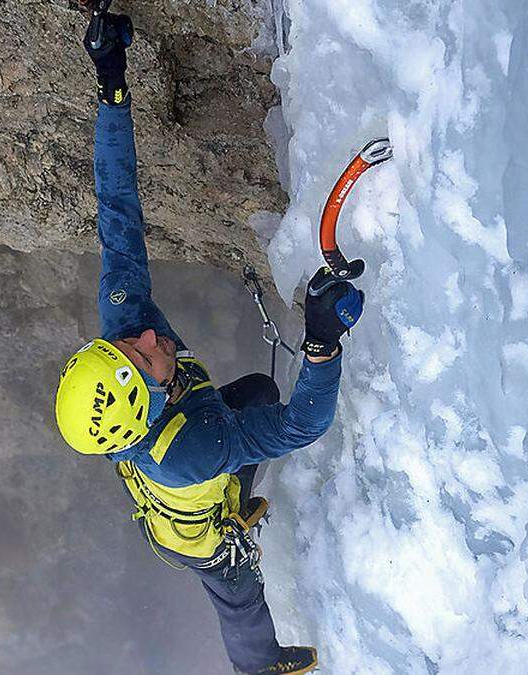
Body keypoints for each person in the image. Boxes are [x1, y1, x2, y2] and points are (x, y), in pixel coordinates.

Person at [53, 10, 365, 675]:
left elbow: (117, 209)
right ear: (150, 396)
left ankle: (241, 495)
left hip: (181, 474)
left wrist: (111, 87)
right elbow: (305, 423)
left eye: (124, 345)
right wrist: (321, 340)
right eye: (141, 352)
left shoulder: (126, 330)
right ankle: (259, 669)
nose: (143, 333)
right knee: (239, 596)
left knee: (254, 391)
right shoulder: (196, 449)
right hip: (194, 531)